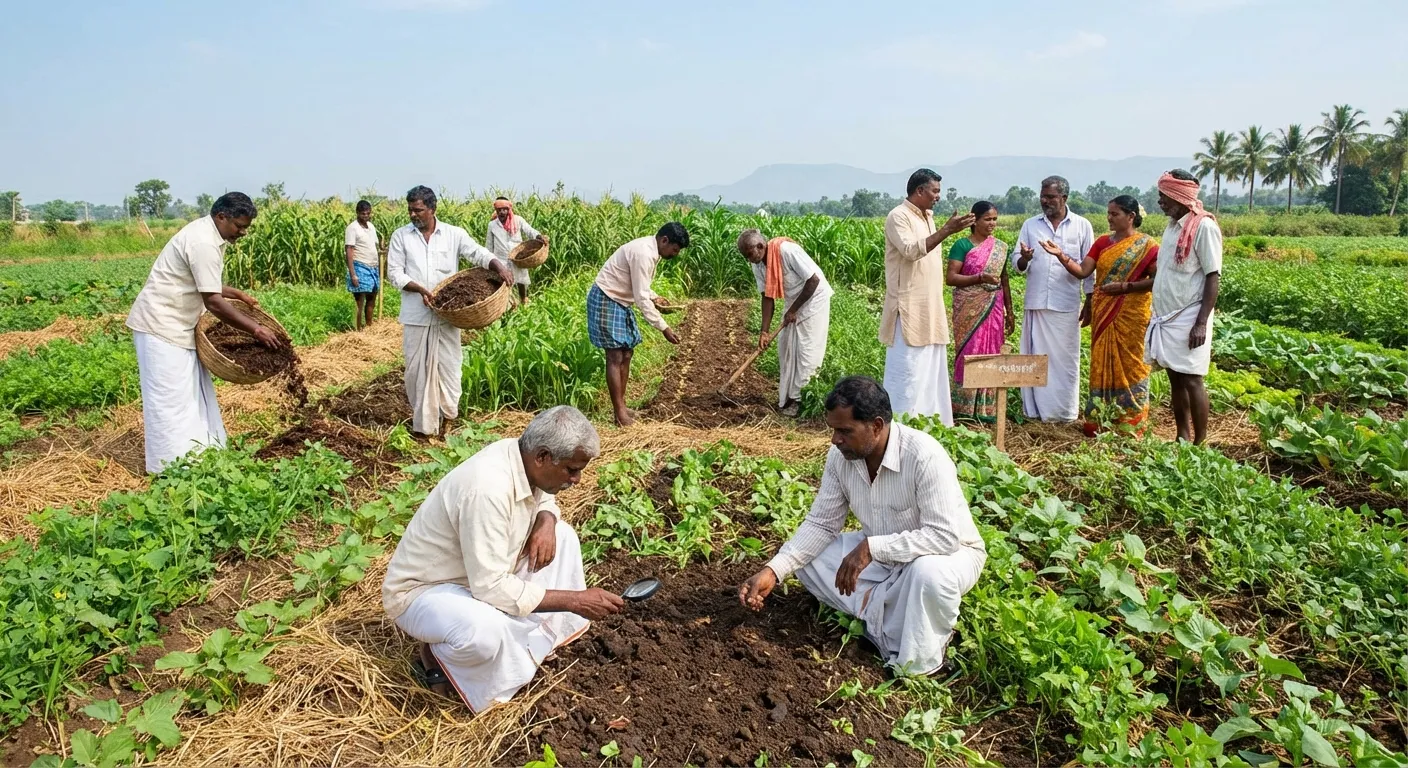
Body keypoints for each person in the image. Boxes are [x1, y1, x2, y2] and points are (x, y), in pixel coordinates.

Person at [738, 376, 987, 676]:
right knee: (807, 559)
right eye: (833, 430)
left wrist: (872, 548)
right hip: (882, 555)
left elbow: (944, 537)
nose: (835, 440)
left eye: (845, 431)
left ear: (877, 426)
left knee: (928, 576)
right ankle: (886, 615)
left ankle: (922, 664)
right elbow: (821, 523)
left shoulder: (923, 456)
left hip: (946, 556)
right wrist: (773, 571)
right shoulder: (841, 457)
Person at [383, 406, 624, 713]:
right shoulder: (487, 489)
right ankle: (439, 658)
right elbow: (491, 587)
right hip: (427, 591)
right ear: (542, 457)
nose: (576, 480)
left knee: (563, 538)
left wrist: (546, 519)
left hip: (478, 573)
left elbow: (545, 494)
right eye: (571, 470)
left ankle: (526, 644)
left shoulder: (521, 456)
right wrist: (574, 600)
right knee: (485, 632)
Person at [125, 192, 287, 474]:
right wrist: (256, 330)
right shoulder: (203, 242)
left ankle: (198, 457)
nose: (243, 232)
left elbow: (202, 282)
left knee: (192, 395)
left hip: (180, 324)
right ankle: (169, 468)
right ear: (221, 217)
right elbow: (212, 302)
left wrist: (233, 291)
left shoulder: (210, 235)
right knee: (169, 400)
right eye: (239, 225)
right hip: (161, 324)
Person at [387, 185, 514, 438]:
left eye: (418, 210)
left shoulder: (453, 234)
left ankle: (447, 422)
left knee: (449, 369)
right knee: (416, 373)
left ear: (432, 209)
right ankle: (423, 428)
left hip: (448, 316)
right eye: (410, 210)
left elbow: (477, 252)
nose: (413, 215)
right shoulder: (401, 237)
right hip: (416, 317)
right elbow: (394, 273)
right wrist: (420, 289)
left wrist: (498, 266)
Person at [1041, 196, 1159, 436]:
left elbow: (1156, 280)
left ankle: (1131, 421)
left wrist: (1125, 287)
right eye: (1108, 213)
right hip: (1104, 312)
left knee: (1132, 365)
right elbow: (1083, 271)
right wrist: (1060, 255)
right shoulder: (1103, 243)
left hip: (1131, 315)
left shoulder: (1148, 246)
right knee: (1101, 362)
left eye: (1115, 214)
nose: (1109, 218)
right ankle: (1100, 420)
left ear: (1131, 217)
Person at [881, 169, 976, 425]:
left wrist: (943, 228)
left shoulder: (928, 217)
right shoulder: (898, 216)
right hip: (909, 307)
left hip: (931, 306)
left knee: (931, 372)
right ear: (919, 191)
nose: (938, 197)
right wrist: (946, 230)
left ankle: (931, 425)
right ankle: (901, 427)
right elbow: (911, 251)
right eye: (934, 191)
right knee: (908, 372)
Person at [1147, 170, 1222, 444]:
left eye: (1163, 196)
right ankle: (1182, 436)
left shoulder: (1204, 227)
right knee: (1175, 378)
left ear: (1179, 196)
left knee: (1192, 379)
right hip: (1167, 316)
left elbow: (1213, 275)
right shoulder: (1172, 227)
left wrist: (1201, 322)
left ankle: (1200, 442)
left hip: (1190, 315)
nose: (1160, 202)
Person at [1012, 176, 1095, 423]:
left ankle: (1063, 413)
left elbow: (1091, 268)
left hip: (1066, 304)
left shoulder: (1082, 226)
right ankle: (1035, 412)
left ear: (1064, 198)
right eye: (1043, 196)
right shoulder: (1030, 225)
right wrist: (1025, 258)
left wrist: (1090, 301)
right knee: (1034, 358)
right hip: (1036, 303)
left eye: (1051, 197)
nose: (1045, 201)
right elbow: (1017, 264)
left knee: (1065, 361)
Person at [588, 223, 688, 427]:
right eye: (675, 250)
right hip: (608, 297)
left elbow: (641, 287)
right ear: (665, 240)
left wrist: (656, 297)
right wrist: (664, 328)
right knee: (615, 355)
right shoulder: (643, 253)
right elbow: (641, 298)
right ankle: (619, 414)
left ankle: (622, 407)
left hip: (620, 300)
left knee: (627, 353)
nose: (674, 255)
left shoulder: (652, 251)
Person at [736, 228, 833, 417]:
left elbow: (813, 280)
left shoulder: (787, 251)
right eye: (745, 256)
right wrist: (764, 332)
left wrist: (794, 310)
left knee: (807, 352)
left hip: (814, 300)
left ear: (761, 246)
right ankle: (787, 398)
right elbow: (767, 297)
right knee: (786, 348)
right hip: (794, 302)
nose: (749, 259)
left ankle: (801, 401)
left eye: (750, 254)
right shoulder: (757, 265)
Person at [945, 201, 1015, 423]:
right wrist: (979, 278)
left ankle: (987, 409)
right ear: (975, 220)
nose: (992, 223)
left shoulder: (1001, 248)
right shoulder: (962, 245)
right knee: (969, 351)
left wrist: (1009, 312)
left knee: (991, 351)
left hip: (994, 306)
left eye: (995, 219)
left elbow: (1004, 280)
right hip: (969, 306)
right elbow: (951, 278)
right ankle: (963, 409)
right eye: (988, 219)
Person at [485, 196, 547, 306]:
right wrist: (488, 260)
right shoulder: (492, 225)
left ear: (509, 209)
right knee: (504, 282)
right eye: (499, 210)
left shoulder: (518, 220)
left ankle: (523, 300)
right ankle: (509, 305)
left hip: (517, 256)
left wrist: (538, 236)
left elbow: (529, 230)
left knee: (521, 280)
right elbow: (489, 244)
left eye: (504, 209)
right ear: (496, 211)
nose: (502, 212)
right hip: (501, 258)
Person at [345, 200, 381, 331]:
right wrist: (353, 274)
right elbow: (349, 250)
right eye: (363, 214)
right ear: (357, 213)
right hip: (360, 266)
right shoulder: (352, 228)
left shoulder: (371, 227)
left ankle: (369, 327)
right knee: (359, 300)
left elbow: (375, 245)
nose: (366, 216)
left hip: (373, 267)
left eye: (368, 213)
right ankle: (358, 329)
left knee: (372, 297)